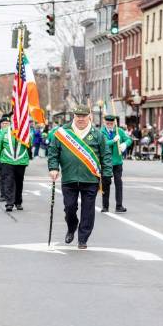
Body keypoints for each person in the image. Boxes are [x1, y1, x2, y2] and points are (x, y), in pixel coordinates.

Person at [47, 105, 113, 249]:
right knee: (69, 208)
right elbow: (53, 151)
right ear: (74, 116)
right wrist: (53, 168)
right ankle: (72, 227)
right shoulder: (62, 132)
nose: (81, 119)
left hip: (90, 179)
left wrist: (107, 174)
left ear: (89, 116)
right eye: (78, 116)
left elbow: (106, 155)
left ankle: (83, 238)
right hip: (69, 178)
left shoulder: (97, 134)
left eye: (84, 116)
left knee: (88, 210)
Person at [0, 115, 32, 212]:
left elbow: (30, 144)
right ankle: (9, 203)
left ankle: (18, 202)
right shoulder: (5, 132)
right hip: (7, 160)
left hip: (21, 160)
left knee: (19, 182)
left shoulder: (25, 132)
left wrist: (26, 134)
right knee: (8, 181)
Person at [100, 115, 132, 213]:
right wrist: (113, 141)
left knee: (119, 183)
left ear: (114, 123)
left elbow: (129, 139)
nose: (110, 125)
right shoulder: (101, 132)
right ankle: (105, 206)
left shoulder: (119, 131)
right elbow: (103, 143)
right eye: (108, 123)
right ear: (105, 123)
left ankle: (119, 205)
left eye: (111, 123)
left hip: (117, 161)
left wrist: (125, 144)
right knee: (106, 184)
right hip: (106, 162)